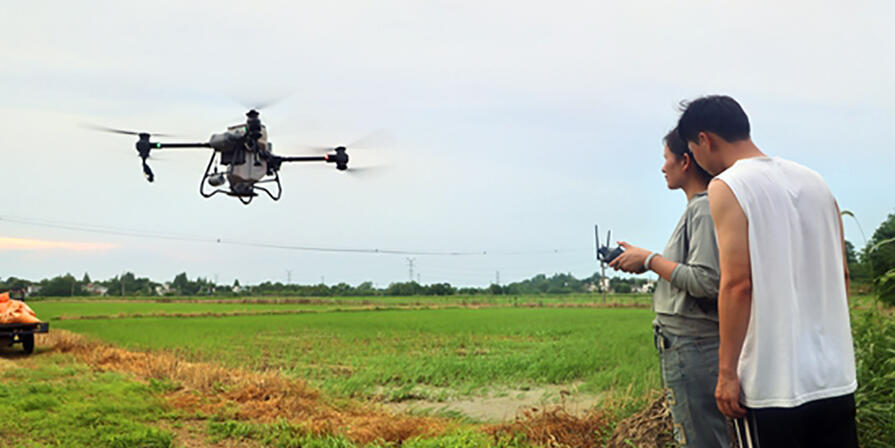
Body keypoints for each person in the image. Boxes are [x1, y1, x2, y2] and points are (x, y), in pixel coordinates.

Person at [677, 95, 857, 447]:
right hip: (834, 376)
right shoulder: (816, 181)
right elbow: (843, 275)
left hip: (772, 383)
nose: (697, 160)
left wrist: (727, 373)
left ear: (705, 139)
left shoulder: (728, 186)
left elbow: (738, 284)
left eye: (692, 150)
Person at [609, 127, 729, 447]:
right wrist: (644, 260)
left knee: (698, 438)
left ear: (686, 161)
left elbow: (706, 281)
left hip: (693, 346)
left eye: (666, 159)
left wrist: (649, 260)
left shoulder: (703, 208)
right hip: (688, 345)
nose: (663, 167)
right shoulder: (698, 208)